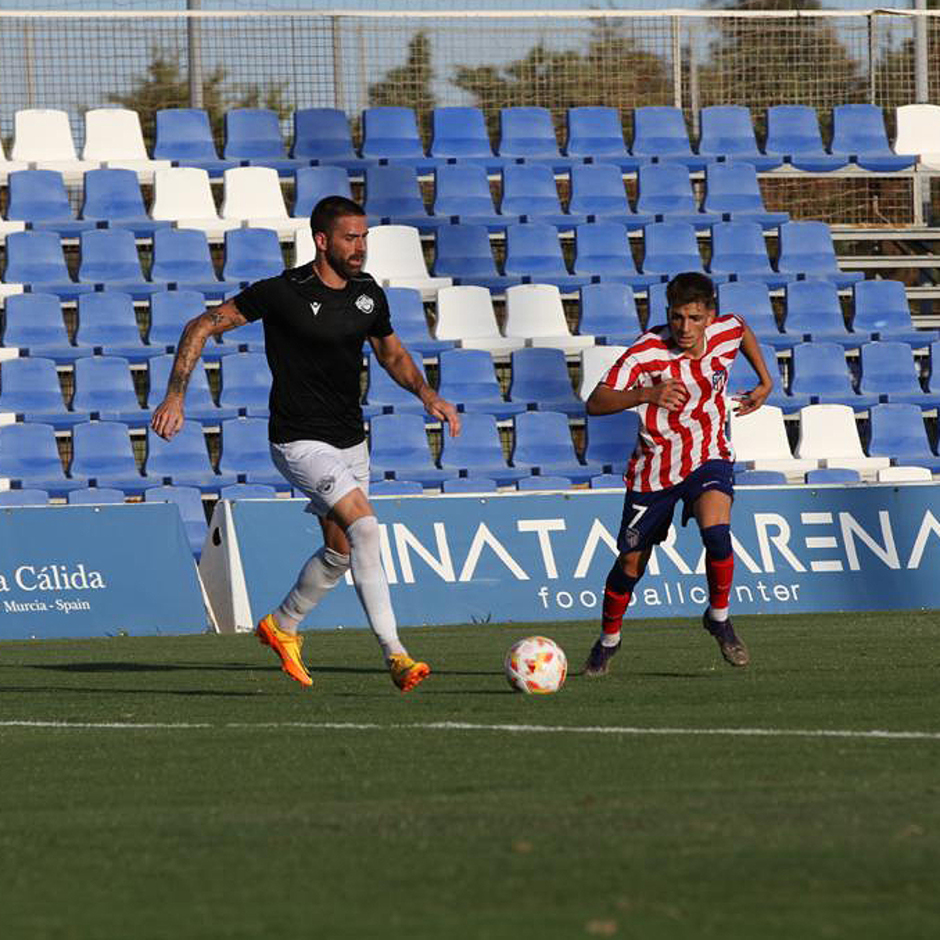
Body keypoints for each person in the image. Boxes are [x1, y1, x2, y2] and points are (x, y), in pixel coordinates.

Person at [151, 195, 460, 692]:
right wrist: (175, 396)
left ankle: (284, 624)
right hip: (298, 439)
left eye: (364, 238)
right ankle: (396, 654)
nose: (360, 248)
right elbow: (201, 326)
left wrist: (427, 393)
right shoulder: (282, 292)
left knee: (339, 551)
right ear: (322, 240)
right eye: (350, 238)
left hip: (350, 440)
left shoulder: (367, 293)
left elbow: (392, 352)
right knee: (366, 528)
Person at [583, 271, 773, 676]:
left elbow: (743, 331)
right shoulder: (646, 352)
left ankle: (718, 617)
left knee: (716, 532)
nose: (684, 328)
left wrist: (765, 381)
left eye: (694, 318)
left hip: (709, 454)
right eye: (676, 318)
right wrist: (647, 393)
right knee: (631, 564)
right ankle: (608, 641)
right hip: (654, 469)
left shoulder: (727, 329)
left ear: (709, 316)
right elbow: (595, 402)